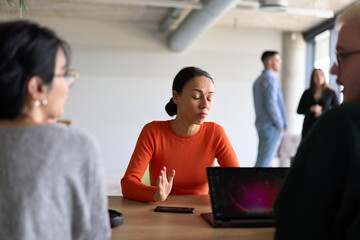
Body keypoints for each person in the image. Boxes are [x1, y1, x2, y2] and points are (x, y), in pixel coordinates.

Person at [0, 21, 110, 239]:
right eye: (64, 74)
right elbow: (94, 235)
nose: (68, 85)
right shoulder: (77, 147)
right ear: (37, 88)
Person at [274, 3, 360, 239]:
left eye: (342, 56)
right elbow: (300, 109)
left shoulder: (343, 123)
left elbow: (296, 223)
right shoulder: (308, 94)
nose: (333, 69)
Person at [121, 66, 239, 202]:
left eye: (210, 98)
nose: (205, 104)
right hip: (161, 213)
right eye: (196, 97)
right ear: (176, 97)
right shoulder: (153, 131)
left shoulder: (215, 132)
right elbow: (128, 184)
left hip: (199, 215)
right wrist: (155, 194)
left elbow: (237, 181)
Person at [253, 51, 287, 167]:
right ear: (269, 62)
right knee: (264, 164)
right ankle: (254, 185)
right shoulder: (270, 79)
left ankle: (252, 184)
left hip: (262, 126)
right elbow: (271, 104)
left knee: (261, 162)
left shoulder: (258, 81)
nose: (280, 63)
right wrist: (280, 124)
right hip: (271, 126)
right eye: (278, 60)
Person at [297, 68, 339, 138]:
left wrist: (323, 113)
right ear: (312, 78)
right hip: (308, 128)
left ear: (324, 77)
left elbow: (336, 110)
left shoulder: (331, 93)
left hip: (324, 127)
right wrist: (311, 108)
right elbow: (299, 110)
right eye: (316, 75)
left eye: (321, 75)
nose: (319, 77)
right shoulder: (307, 93)